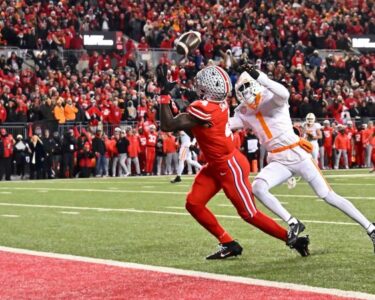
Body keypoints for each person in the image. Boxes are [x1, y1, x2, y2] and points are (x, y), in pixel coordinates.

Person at [160, 65, 309, 259]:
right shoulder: (215, 105)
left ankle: (295, 240)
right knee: (194, 203)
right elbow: (190, 121)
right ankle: (228, 243)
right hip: (216, 165)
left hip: (230, 166)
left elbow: (168, 124)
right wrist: (174, 99)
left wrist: (164, 96)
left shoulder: (203, 109)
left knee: (249, 214)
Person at [230, 64, 375, 252]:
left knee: (328, 196)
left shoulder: (271, 97)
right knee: (258, 187)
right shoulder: (244, 111)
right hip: (277, 159)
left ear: (256, 84)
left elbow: (284, 94)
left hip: (297, 153)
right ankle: (293, 222)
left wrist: (260, 76)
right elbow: (227, 124)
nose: (245, 95)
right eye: (241, 91)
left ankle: (371, 228)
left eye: (246, 88)